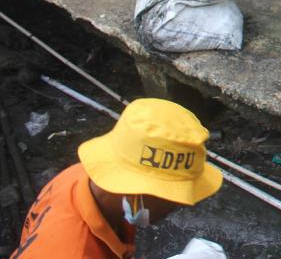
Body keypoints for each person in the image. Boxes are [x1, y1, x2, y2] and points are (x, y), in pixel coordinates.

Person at [12, 98, 223, 259]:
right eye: (171, 198)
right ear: (133, 190)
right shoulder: (73, 250)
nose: (180, 204)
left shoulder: (81, 177)